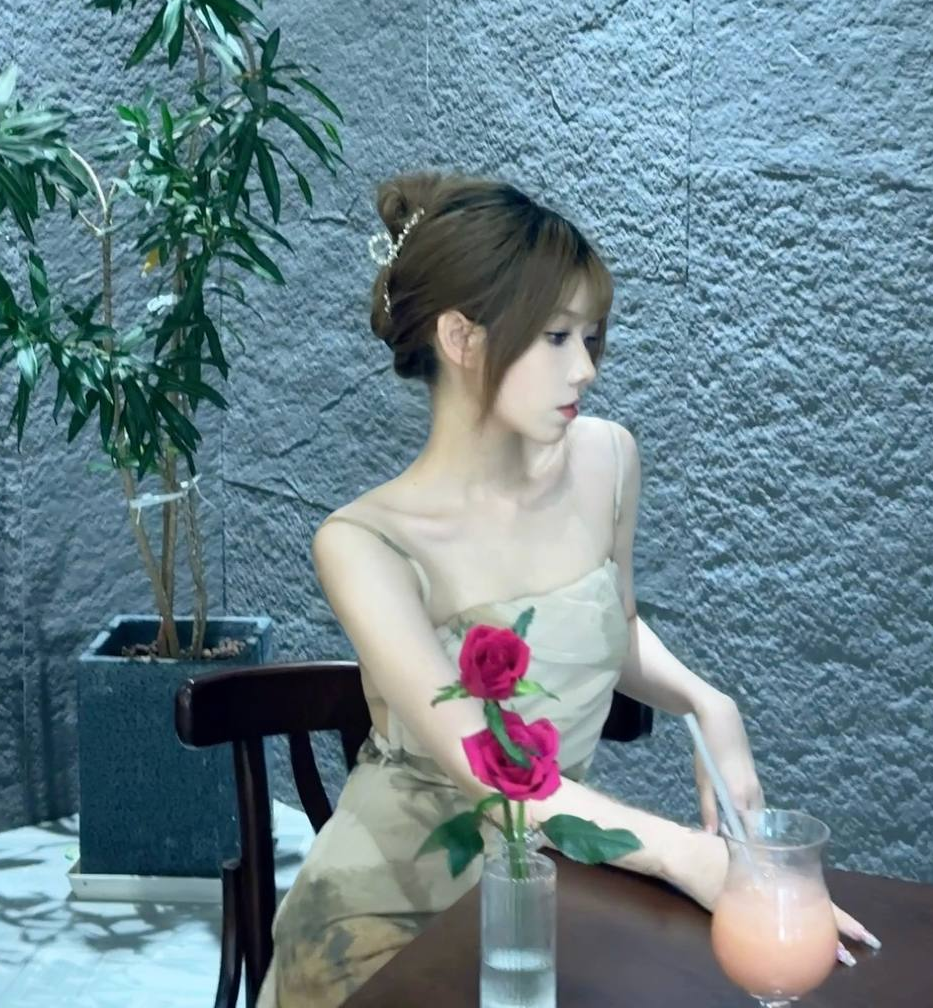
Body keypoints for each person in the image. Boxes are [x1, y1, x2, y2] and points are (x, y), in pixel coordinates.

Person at [258, 172, 874, 1007]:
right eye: (554, 337)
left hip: (547, 876)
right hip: (390, 908)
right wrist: (687, 855)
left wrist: (706, 704)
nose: (583, 368)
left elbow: (608, 626)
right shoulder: (364, 543)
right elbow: (490, 770)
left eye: (590, 337)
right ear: (460, 337)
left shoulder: (605, 460)